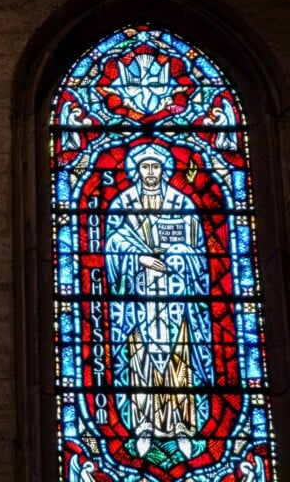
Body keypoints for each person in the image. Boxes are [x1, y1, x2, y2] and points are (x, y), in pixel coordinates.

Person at [104, 143, 213, 460]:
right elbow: (112, 243)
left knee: (180, 358)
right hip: (139, 301)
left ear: (164, 170)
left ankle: (182, 424)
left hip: (176, 300)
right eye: (144, 168)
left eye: (155, 167)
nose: (150, 173)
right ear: (136, 172)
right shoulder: (123, 204)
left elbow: (199, 254)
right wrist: (140, 258)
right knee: (140, 360)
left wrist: (177, 256)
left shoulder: (183, 203)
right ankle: (143, 423)